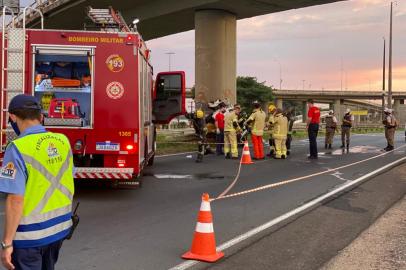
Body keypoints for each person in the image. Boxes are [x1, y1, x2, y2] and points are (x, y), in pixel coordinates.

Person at [0, 94, 75, 270]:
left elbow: (15, 200)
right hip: (59, 229)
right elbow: (67, 177)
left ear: (13, 116)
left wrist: (7, 243)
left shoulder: (17, 148)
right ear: (40, 116)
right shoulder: (63, 140)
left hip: (30, 237)